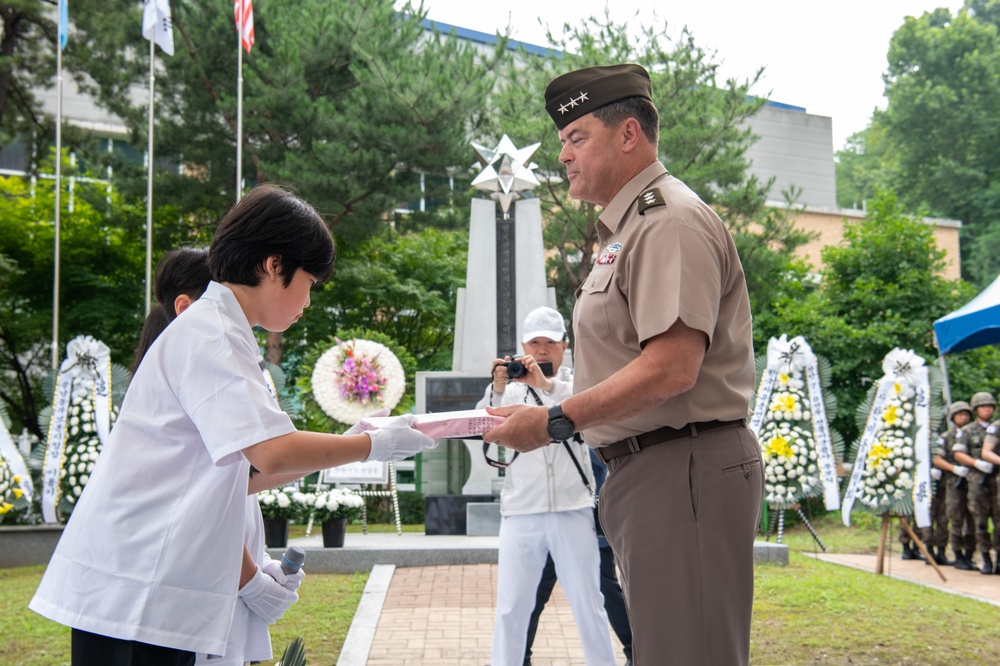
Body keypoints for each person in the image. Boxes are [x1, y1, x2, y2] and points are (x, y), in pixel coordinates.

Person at [30, 183, 437, 665]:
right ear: (274, 265)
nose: (309, 299)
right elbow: (272, 452)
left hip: (154, 576)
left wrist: (355, 439)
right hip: (139, 575)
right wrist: (371, 448)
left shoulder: (225, 333)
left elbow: (248, 474)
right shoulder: (212, 334)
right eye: (310, 281)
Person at [483, 64, 763, 665]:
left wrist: (554, 419)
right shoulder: (630, 227)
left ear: (628, 133)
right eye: (562, 141)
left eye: (576, 137)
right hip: (653, 469)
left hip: (681, 464)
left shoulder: (668, 221)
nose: (563, 155)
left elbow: (671, 368)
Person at [132, 247, 305, 666]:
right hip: (181, 594)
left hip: (212, 582)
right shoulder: (197, 359)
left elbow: (240, 481)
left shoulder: (210, 355)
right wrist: (252, 582)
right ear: (188, 306)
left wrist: (257, 567)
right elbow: (200, 505)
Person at [477, 306, 617, 666]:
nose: (542, 350)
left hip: (573, 510)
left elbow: (592, 409)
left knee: (590, 605)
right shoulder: (507, 394)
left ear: (565, 346)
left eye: (550, 343)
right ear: (523, 345)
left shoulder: (575, 387)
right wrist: (497, 388)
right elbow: (484, 428)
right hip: (522, 512)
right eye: (535, 342)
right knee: (511, 609)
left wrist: (547, 386)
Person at [523, 447, 633, 666]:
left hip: (586, 531)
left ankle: (634, 651)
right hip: (551, 528)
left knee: (605, 594)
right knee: (533, 595)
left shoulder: (586, 439)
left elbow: (598, 469)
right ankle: (519, 657)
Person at [953, 391, 998, 574]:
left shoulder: (997, 427)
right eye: (983, 406)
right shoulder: (967, 431)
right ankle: (985, 557)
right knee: (979, 521)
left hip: (996, 480)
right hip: (977, 481)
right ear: (976, 409)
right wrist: (976, 463)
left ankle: (999, 558)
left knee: (999, 521)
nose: (987, 409)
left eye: (990, 406)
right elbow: (958, 454)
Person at [933, 400, 976, 570]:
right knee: (955, 518)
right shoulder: (946, 437)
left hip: (973, 482)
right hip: (952, 482)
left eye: (966, 414)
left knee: (972, 519)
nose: (963, 417)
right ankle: (957, 553)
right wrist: (954, 468)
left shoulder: (973, 434)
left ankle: (969, 554)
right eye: (959, 414)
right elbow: (937, 458)